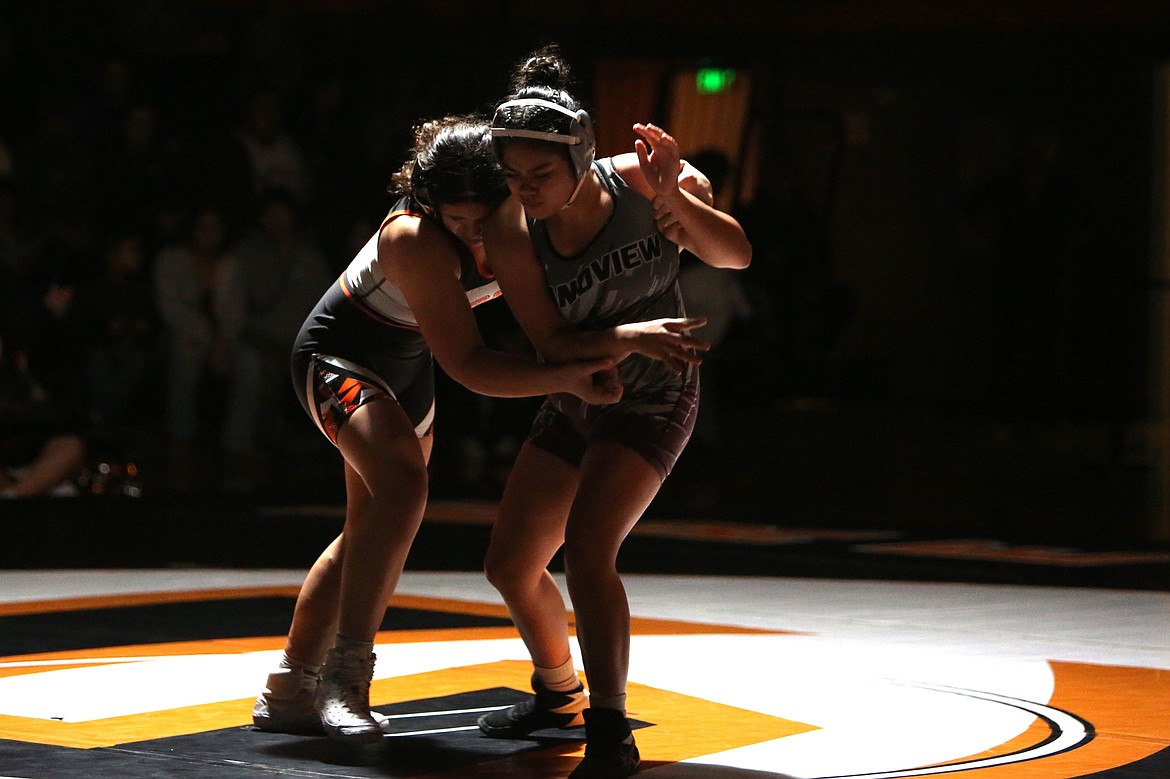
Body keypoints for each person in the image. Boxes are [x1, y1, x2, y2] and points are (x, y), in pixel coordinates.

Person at [251, 115, 640, 744]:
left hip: (407, 367)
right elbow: (471, 365)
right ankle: (346, 681)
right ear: (429, 205)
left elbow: (601, 198)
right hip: (341, 357)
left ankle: (288, 686)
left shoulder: (519, 216)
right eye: (455, 221)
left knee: (368, 529)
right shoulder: (414, 237)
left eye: (482, 218)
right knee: (403, 490)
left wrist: (670, 193)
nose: (471, 232)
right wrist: (566, 379)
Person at [478, 46, 751, 777]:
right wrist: (624, 336)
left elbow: (736, 257)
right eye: (512, 175)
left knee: (589, 547)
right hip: (577, 385)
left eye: (542, 174)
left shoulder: (641, 180)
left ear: (584, 156)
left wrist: (680, 201)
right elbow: (550, 342)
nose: (526, 189)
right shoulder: (511, 229)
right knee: (508, 565)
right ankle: (557, 690)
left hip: (657, 392)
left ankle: (608, 724)